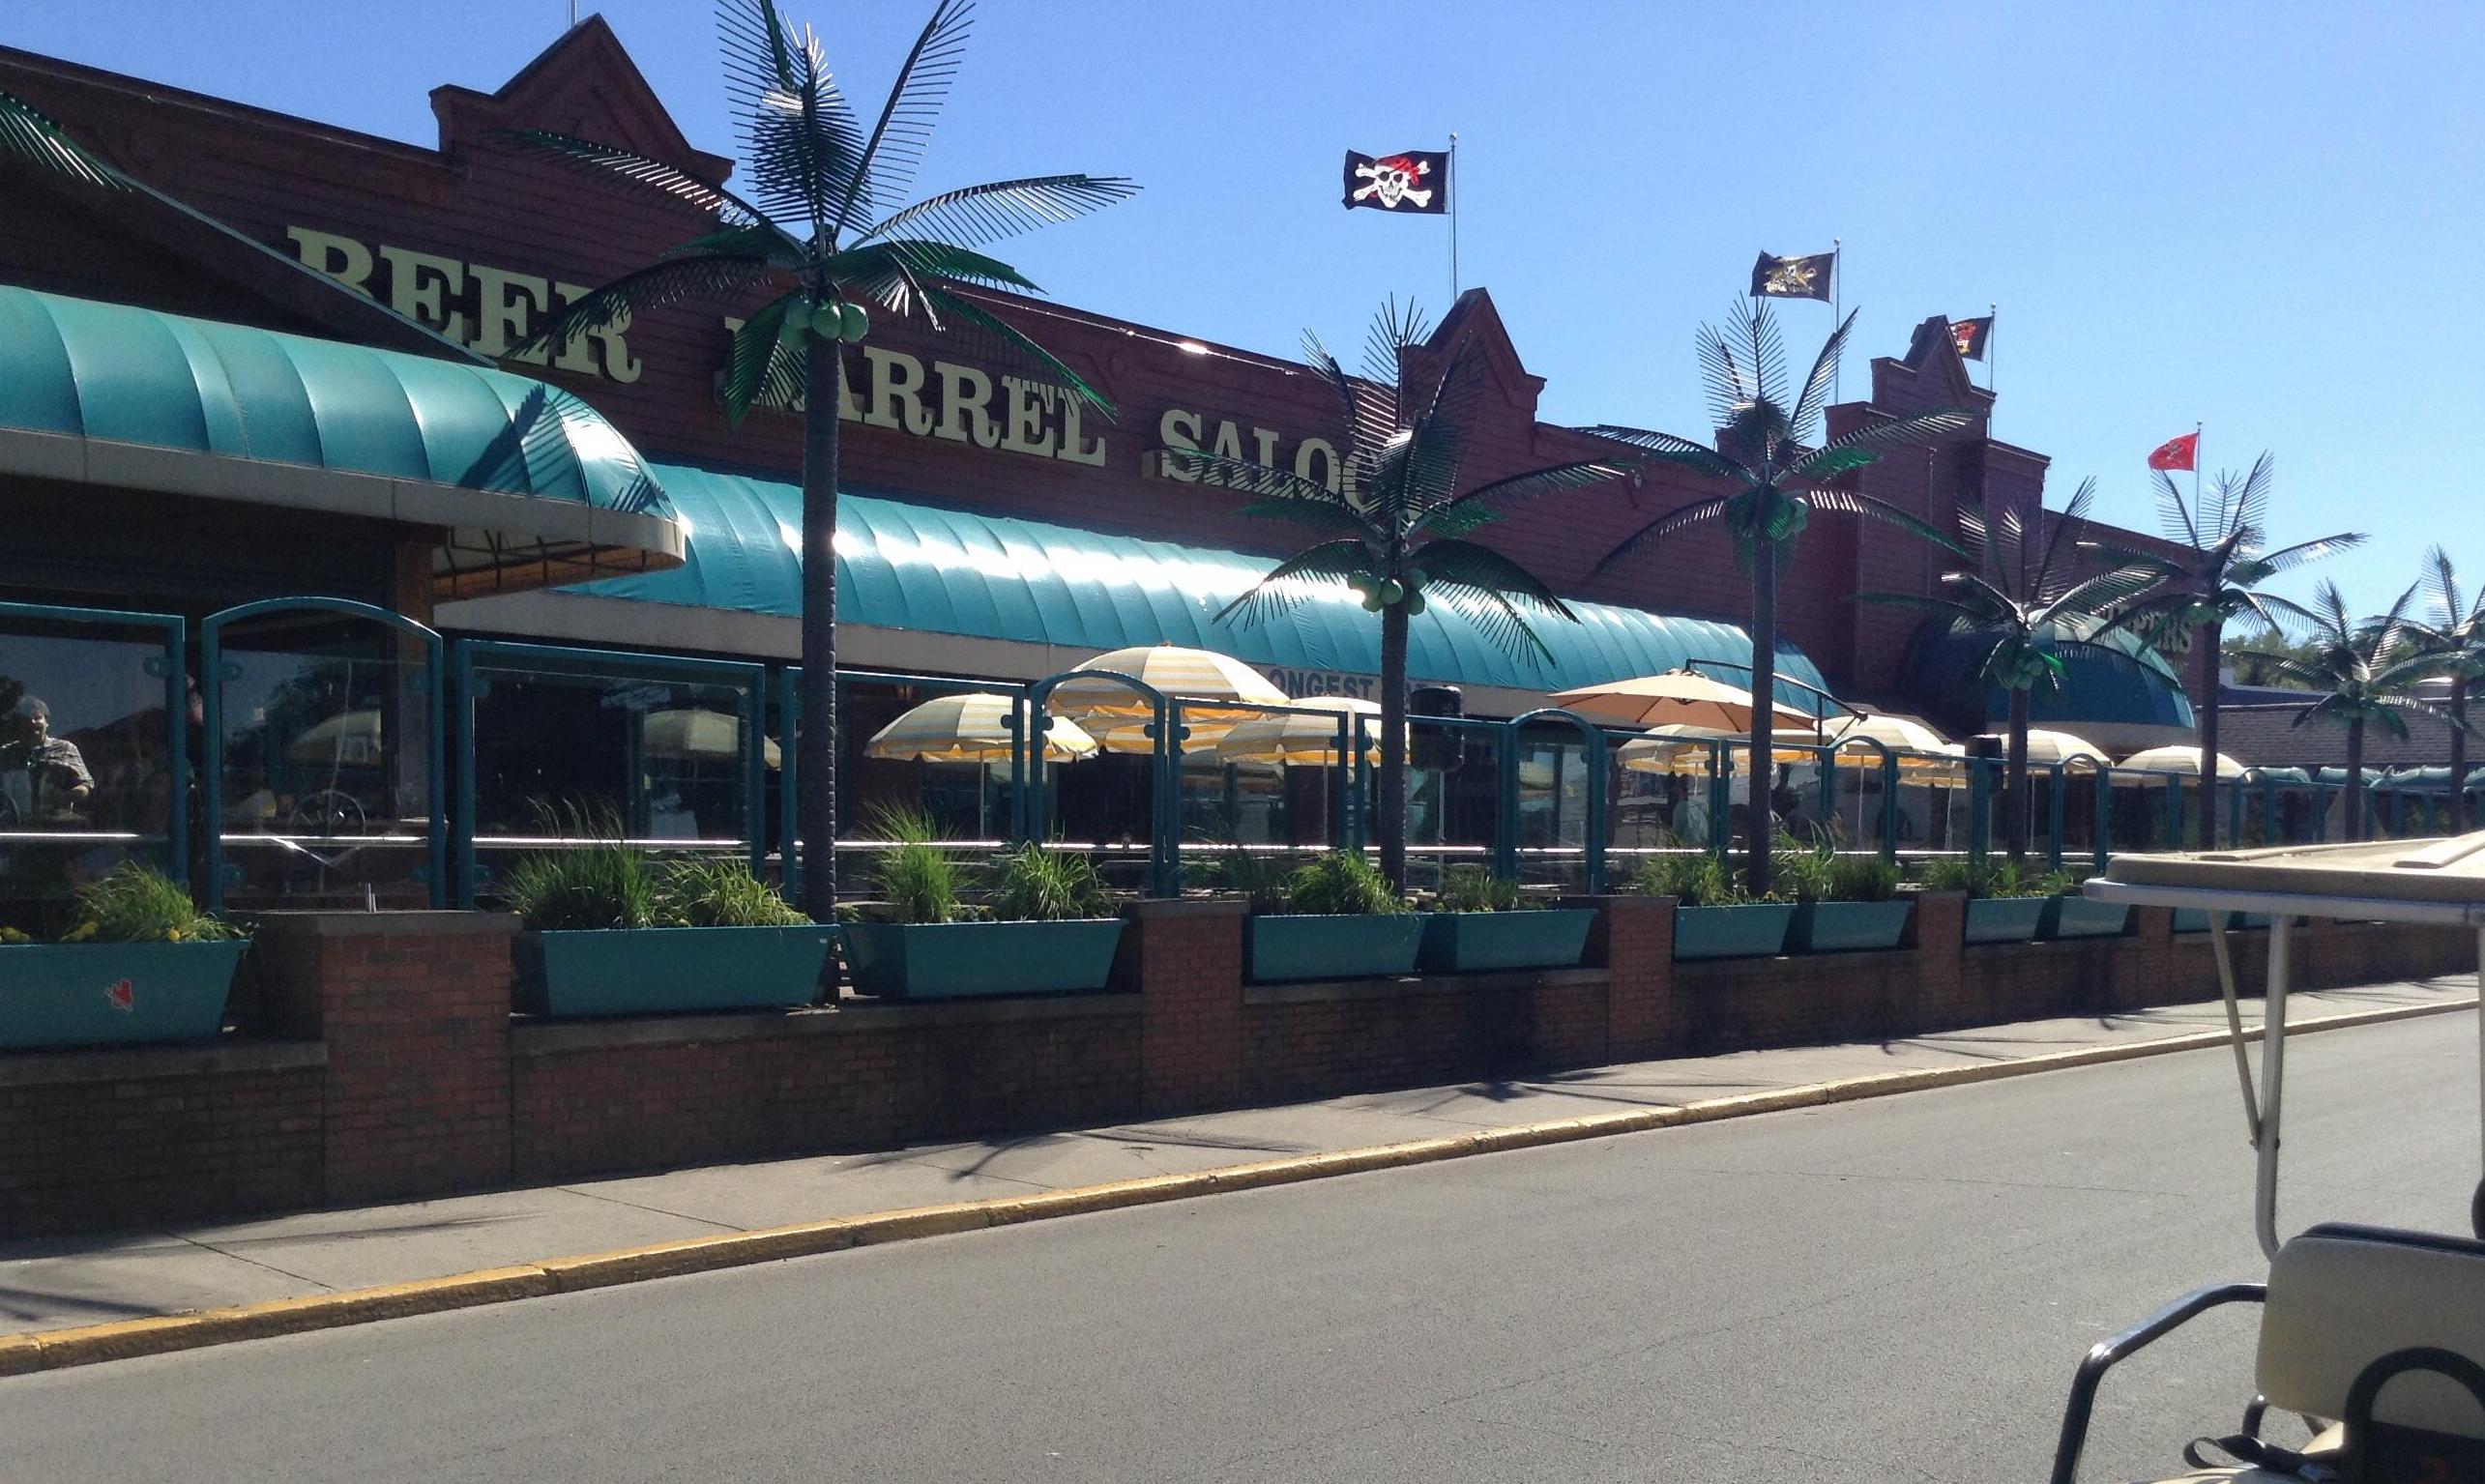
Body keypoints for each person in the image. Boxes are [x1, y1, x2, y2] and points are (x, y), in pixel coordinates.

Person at [0, 696, 92, 822]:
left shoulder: (65, 748)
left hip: (54, 828)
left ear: (46, 722)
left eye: (37, 718)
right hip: (13, 828)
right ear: (18, 724)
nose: (32, 723)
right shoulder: (5, 753)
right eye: (25, 719)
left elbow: (85, 785)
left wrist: (63, 796)